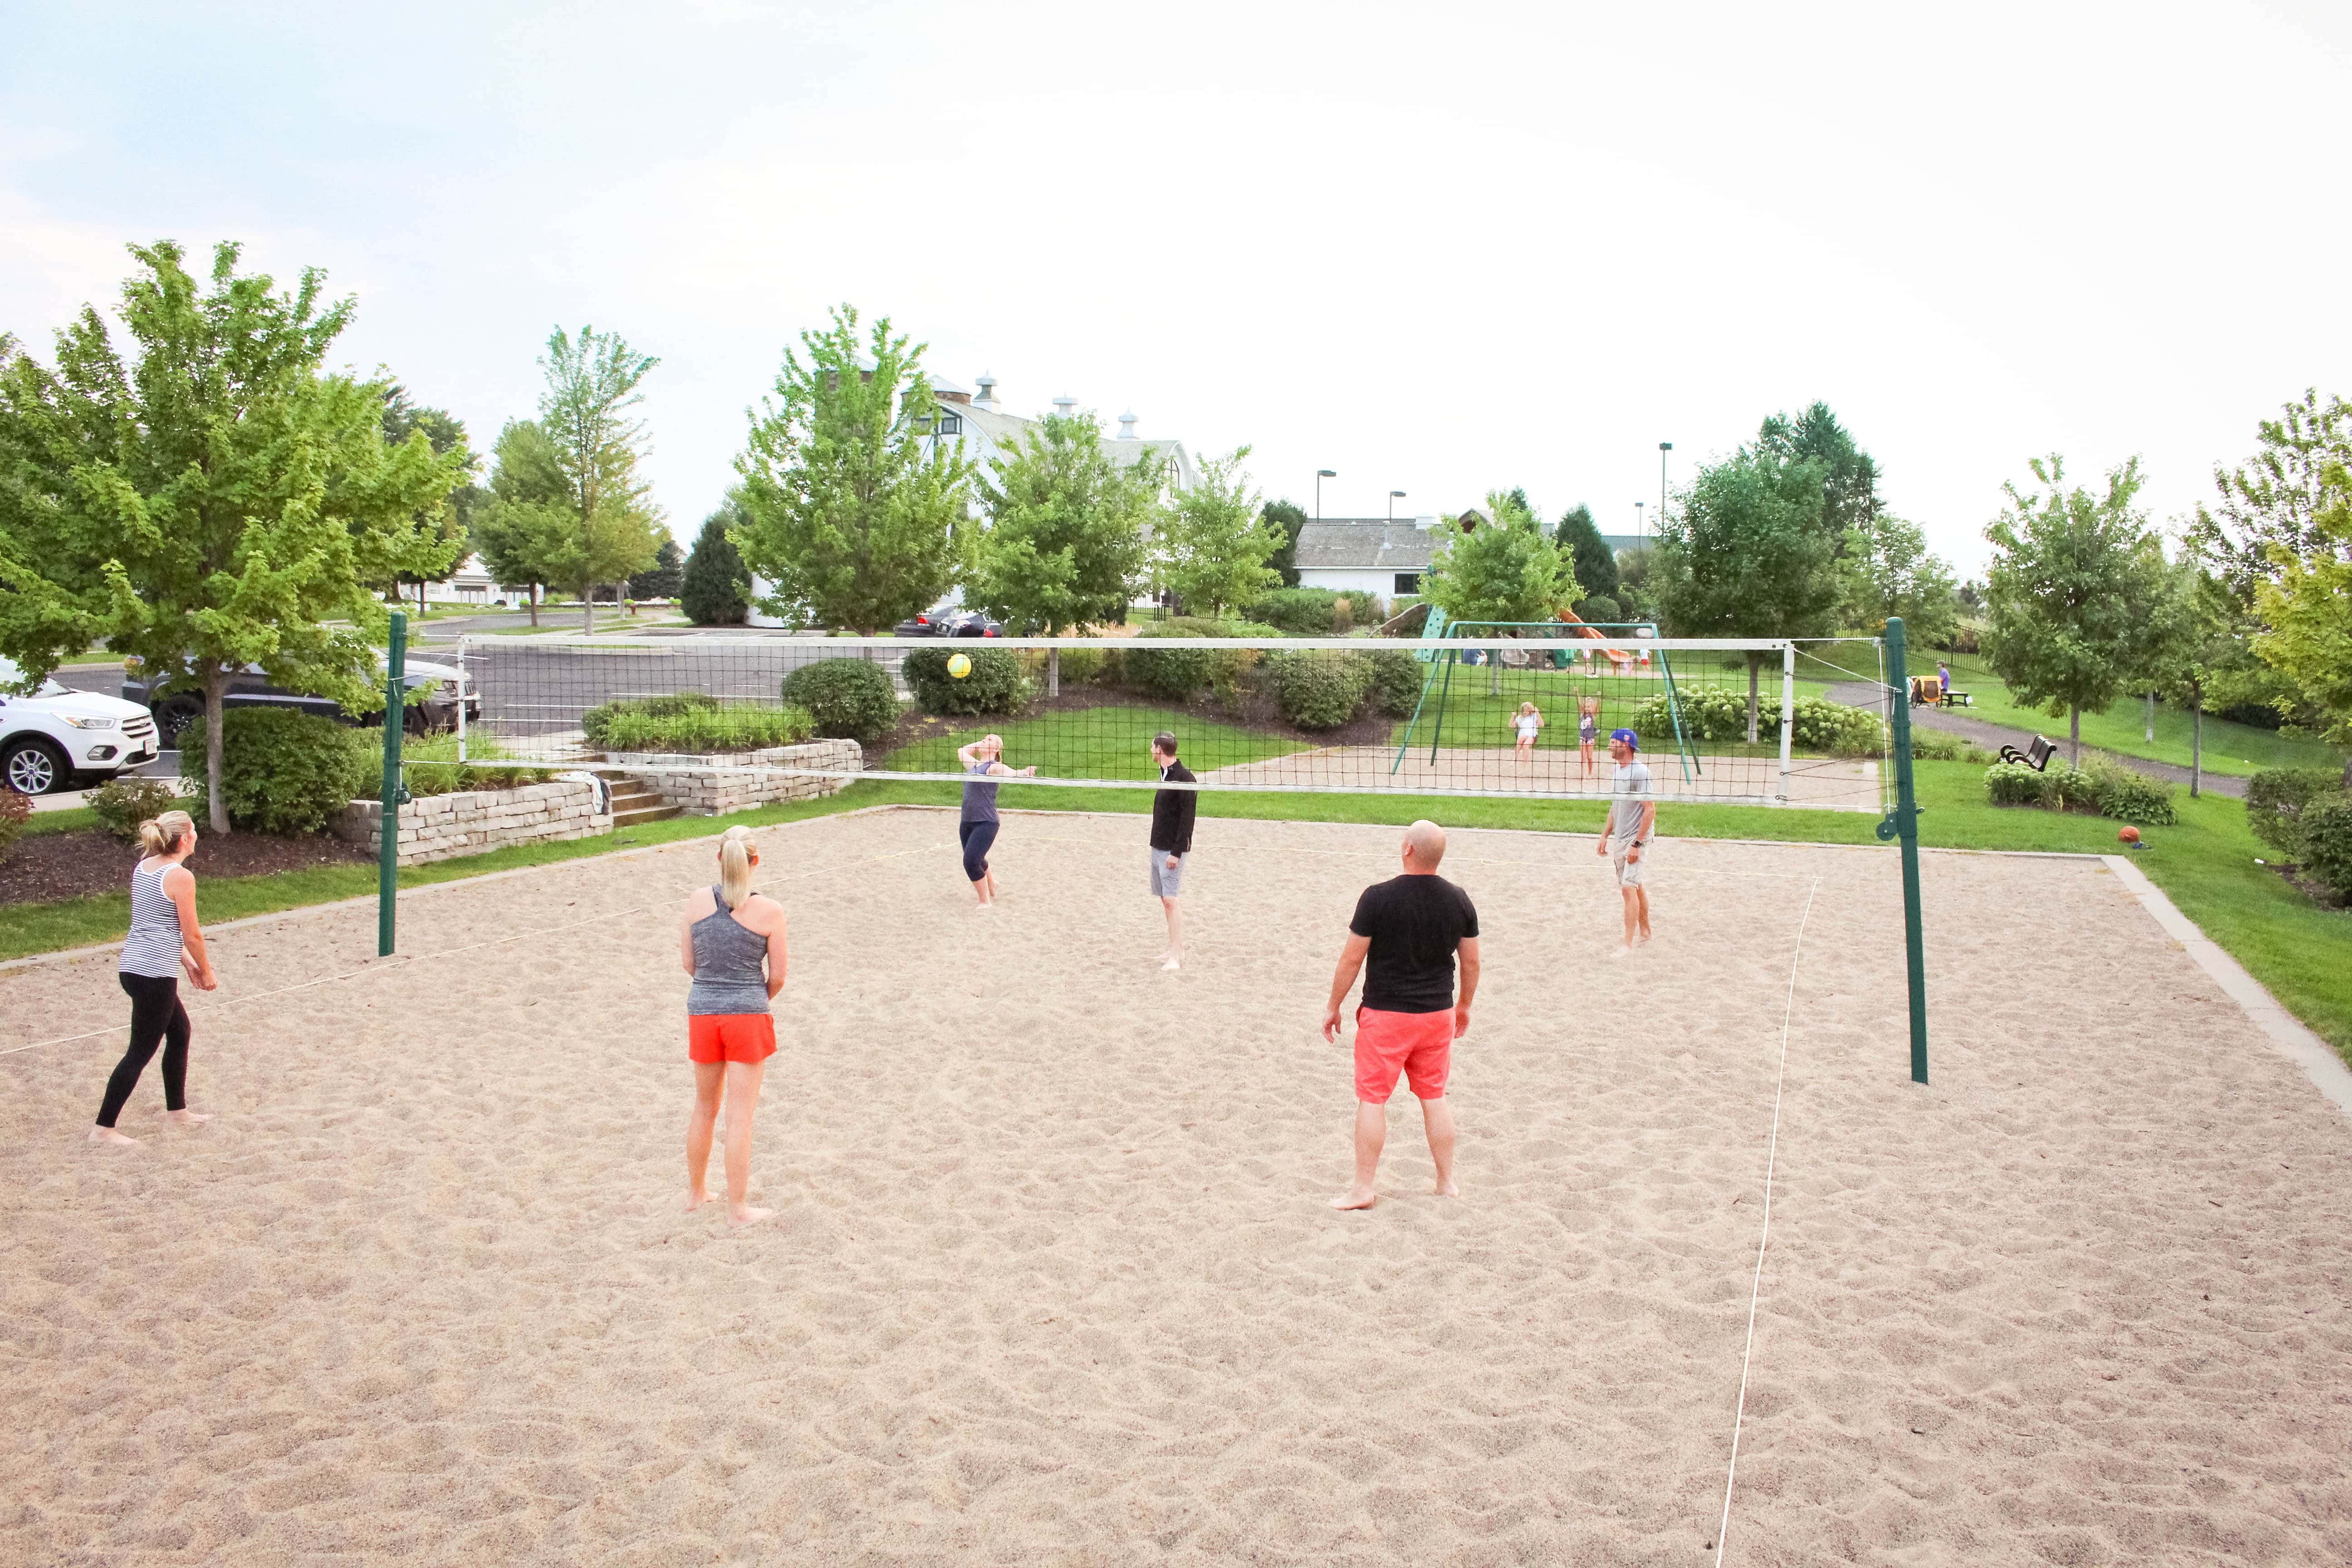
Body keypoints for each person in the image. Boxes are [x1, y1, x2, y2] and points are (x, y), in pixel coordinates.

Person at [1320, 819, 1480, 1211]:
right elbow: (1472, 962)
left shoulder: (1377, 897)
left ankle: (1363, 1188)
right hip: (1437, 1013)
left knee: (1373, 1099)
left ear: (1408, 849)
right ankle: (1446, 1183)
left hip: (1387, 1015)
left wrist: (1333, 1005)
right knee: (1434, 1097)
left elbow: (1351, 959)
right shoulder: (1459, 899)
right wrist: (1464, 1006)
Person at [679, 825, 789, 1227]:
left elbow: (689, 964)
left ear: (719, 859)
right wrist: (754, 998)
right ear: (756, 861)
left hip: (703, 1013)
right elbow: (779, 977)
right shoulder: (770, 911)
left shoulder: (696, 901)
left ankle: (696, 1194)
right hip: (747, 1014)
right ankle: (737, 1210)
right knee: (739, 1117)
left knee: (704, 1108)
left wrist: (716, 988)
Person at [91, 809, 217, 1145]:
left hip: (134, 967)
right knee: (140, 1052)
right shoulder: (180, 877)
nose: (197, 836)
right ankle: (103, 1129)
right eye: (194, 831)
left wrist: (188, 965)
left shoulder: (145, 866)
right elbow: (192, 935)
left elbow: (158, 927)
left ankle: (177, 1111)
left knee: (180, 1032)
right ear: (185, 838)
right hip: (153, 974)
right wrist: (206, 970)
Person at [956, 734, 1036, 907]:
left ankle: (985, 902)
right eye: (984, 738)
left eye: (990, 740)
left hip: (986, 822)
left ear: (997, 748)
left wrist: (1023, 773)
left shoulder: (994, 767)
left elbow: (1010, 772)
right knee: (977, 858)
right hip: (967, 821)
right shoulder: (974, 765)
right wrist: (982, 744)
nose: (985, 740)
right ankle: (992, 884)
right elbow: (962, 751)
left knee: (971, 862)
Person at [1595, 727, 1655, 954]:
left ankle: (1627, 944)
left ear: (1626, 745)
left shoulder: (1641, 773)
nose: (1609, 746)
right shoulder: (1617, 771)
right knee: (1635, 886)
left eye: (1613, 742)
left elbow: (1650, 810)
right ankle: (1646, 931)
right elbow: (1615, 807)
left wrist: (1637, 845)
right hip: (1621, 837)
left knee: (1628, 889)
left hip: (1637, 838)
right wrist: (1605, 835)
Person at [1148, 731, 1196, 970]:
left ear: (1160, 750)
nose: (1150, 751)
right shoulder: (1165, 774)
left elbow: (1187, 821)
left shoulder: (1185, 778)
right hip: (1158, 845)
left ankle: (1176, 956)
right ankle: (1175, 947)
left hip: (1172, 849)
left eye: (1152, 747)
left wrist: (1176, 853)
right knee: (1165, 899)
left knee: (1171, 899)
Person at [1510, 701, 1544, 766]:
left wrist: (1537, 713)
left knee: (1525, 745)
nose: (1525, 712)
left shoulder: (1534, 717)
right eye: (1524, 710)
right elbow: (1511, 726)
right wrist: (1513, 717)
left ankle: (1524, 764)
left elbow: (1542, 724)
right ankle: (1514, 759)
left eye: (1527, 710)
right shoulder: (1520, 718)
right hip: (1523, 735)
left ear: (1530, 711)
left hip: (1532, 736)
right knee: (1521, 739)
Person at [1577, 696, 1602, 780]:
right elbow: (1579, 705)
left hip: (1590, 738)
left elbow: (1597, 707)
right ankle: (1583, 774)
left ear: (1592, 708)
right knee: (1583, 757)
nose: (1587, 709)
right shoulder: (1582, 715)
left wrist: (1598, 697)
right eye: (1586, 707)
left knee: (1589, 757)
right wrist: (1577, 694)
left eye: (1589, 707)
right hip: (1582, 738)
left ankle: (1590, 773)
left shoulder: (1593, 716)